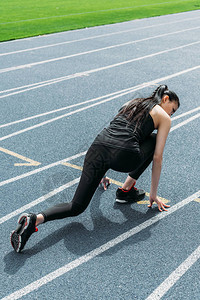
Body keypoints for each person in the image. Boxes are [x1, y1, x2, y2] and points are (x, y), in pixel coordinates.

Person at [10, 85, 180, 252]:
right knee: (153, 140)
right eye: (172, 110)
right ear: (165, 99)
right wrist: (153, 194)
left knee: (76, 206)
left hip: (97, 149)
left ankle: (35, 219)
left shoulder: (132, 102)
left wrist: (102, 169)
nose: (171, 114)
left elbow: (115, 132)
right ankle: (126, 190)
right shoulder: (164, 118)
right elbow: (157, 157)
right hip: (125, 156)